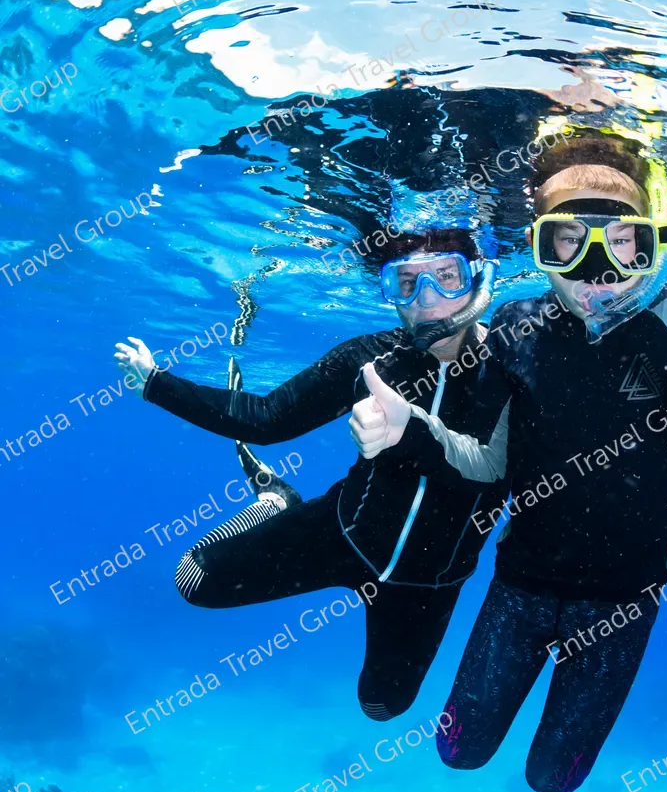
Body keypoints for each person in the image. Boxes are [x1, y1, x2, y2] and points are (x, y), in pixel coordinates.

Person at [350, 127, 667, 792]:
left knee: (552, 780)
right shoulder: (514, 329)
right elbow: (484, 463)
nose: (597, 273)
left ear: (653, 242)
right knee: (457, 753)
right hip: (518, 589)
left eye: (622, 244)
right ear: (541, 245)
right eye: (568, 241)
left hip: (622, 603)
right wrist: (413, 432)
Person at [114, 228, 508, 722]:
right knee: (193, 581)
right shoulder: (371, 359)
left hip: (428, 582)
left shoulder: (515, 370)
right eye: (405, 283)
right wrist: (156, 384)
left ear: (478, 280)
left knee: (382, 706)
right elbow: (265, 418)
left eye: (447, 278)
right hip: (339, 531)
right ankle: (276, 501)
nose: (428, 301)